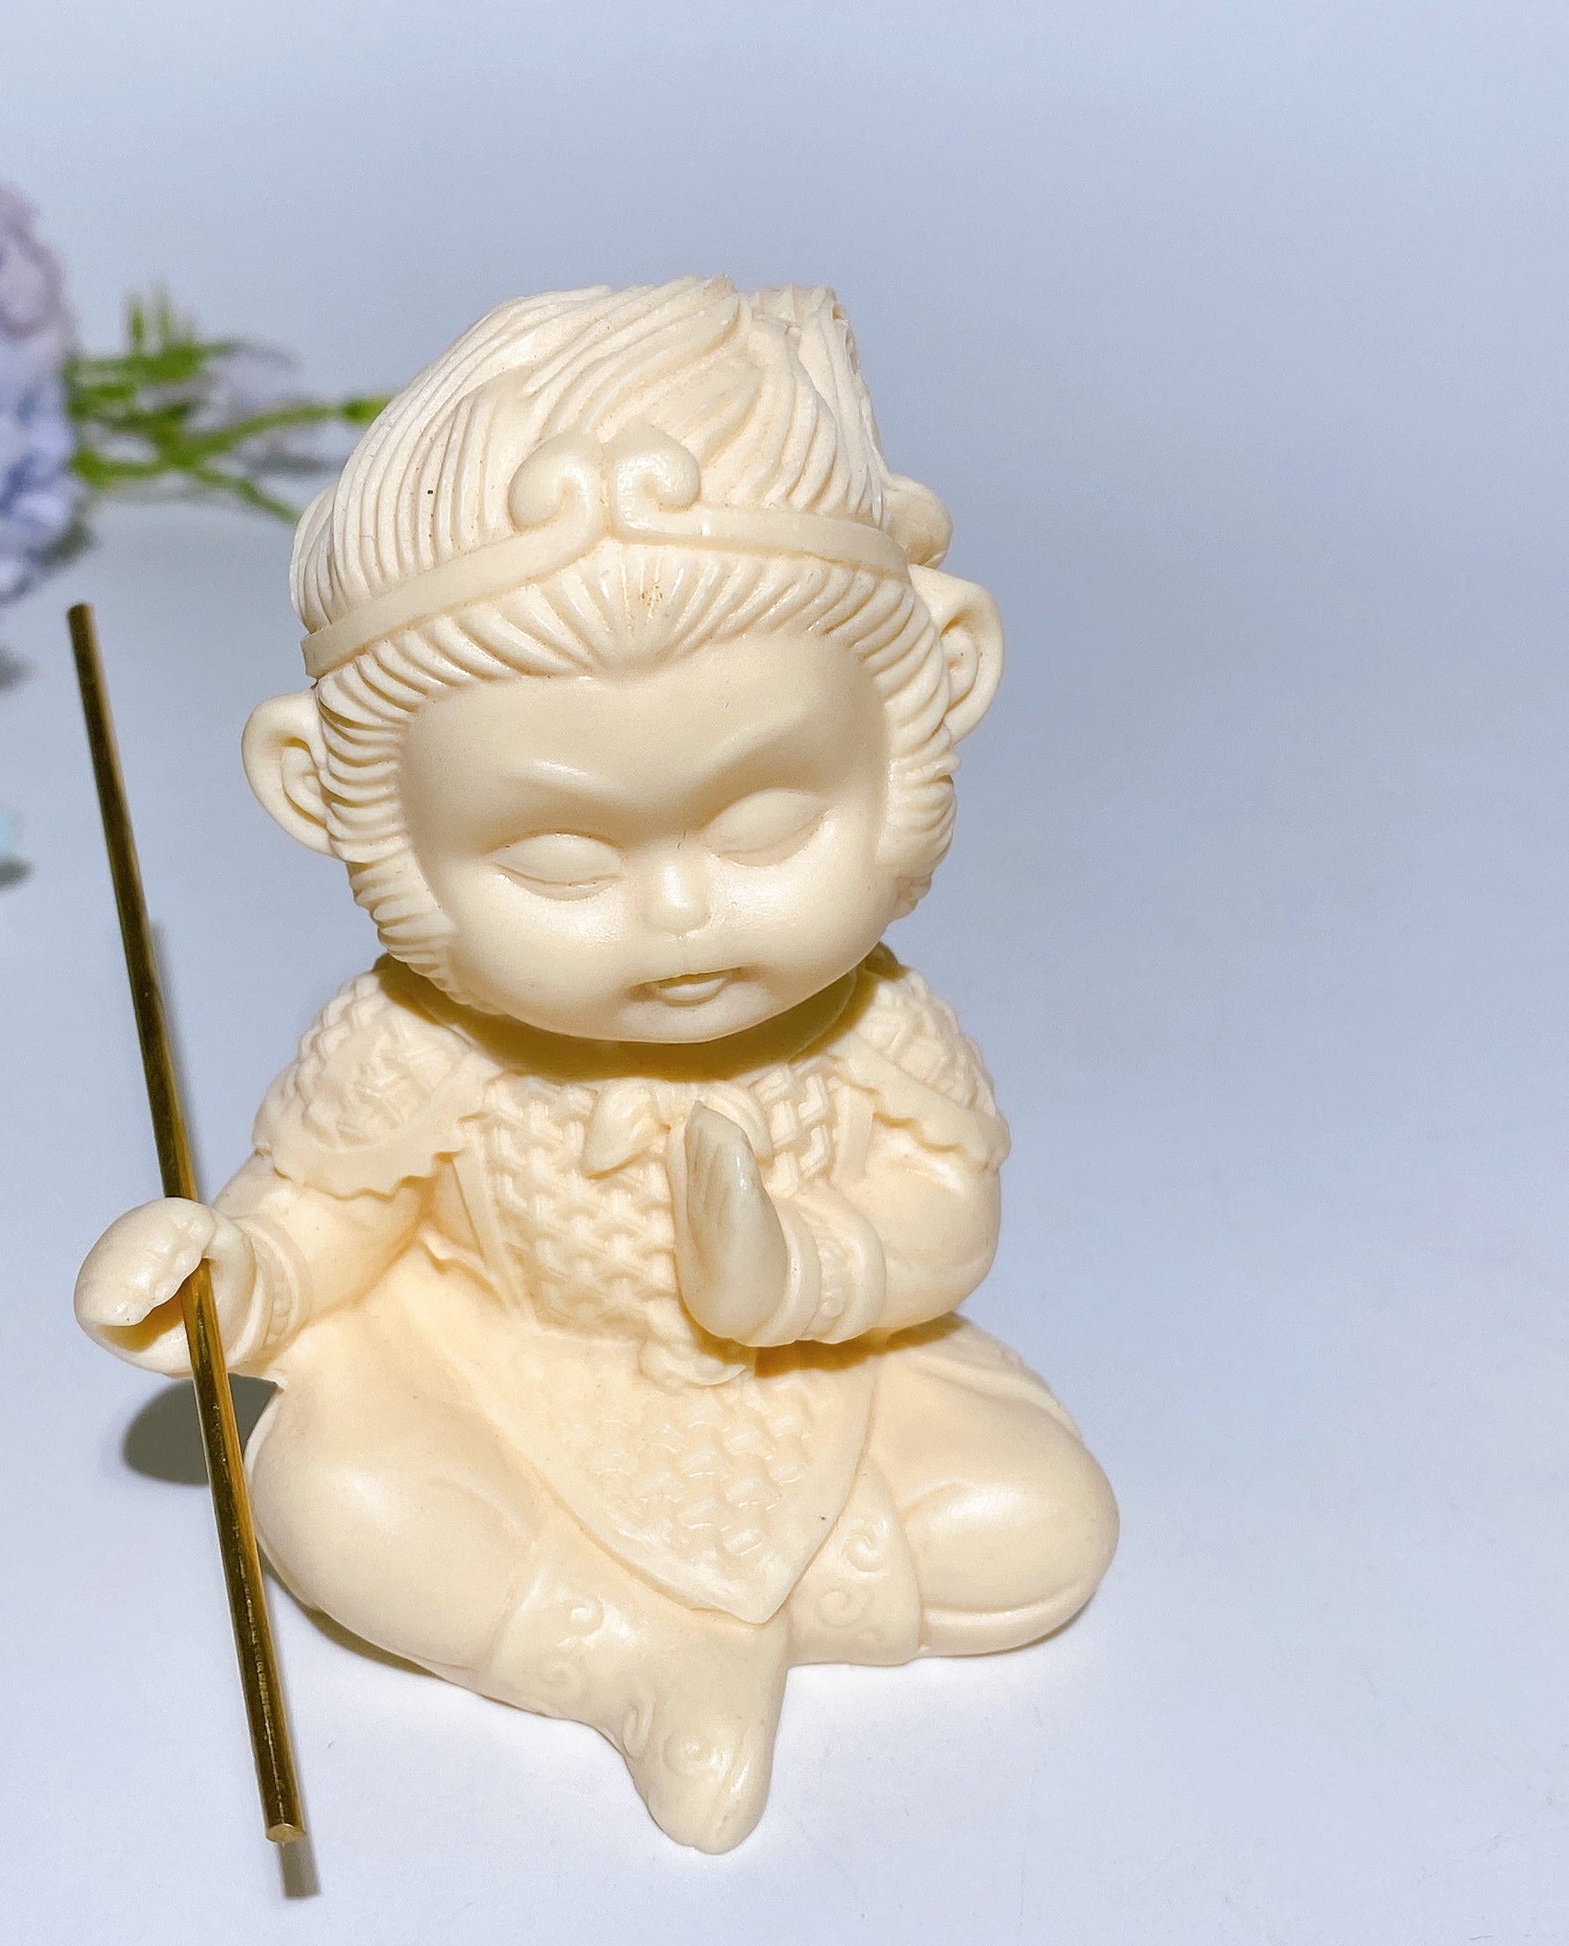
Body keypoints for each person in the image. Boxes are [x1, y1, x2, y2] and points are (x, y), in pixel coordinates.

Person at [76, 278, 1117, 1852]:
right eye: (559, 859)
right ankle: (620, 1655)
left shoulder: (867, 1028)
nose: (679, 914)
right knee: (336, 1493)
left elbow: (944, 1216)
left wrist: (808, 1274)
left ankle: (758, 1609)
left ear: (934, 693)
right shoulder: (417, 1044)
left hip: (809, 1384)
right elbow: (326, 1221)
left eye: (766, 820)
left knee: (1037, 1524)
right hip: (493, 1374)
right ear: (330, 798)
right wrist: (229, 1282)